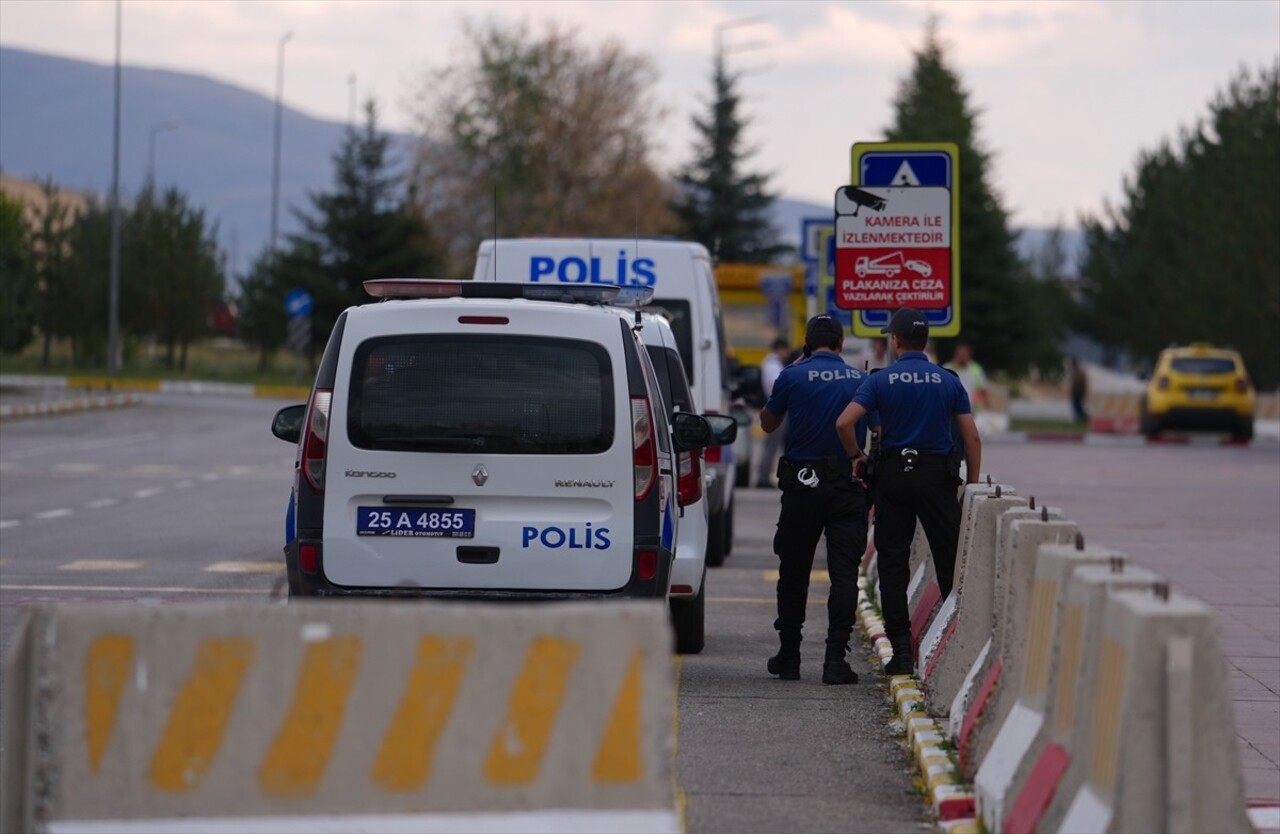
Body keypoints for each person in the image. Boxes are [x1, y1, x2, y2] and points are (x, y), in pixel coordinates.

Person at [835, 308, 981, 676]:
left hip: (893, 477)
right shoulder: (948, 381)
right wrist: (972, 484)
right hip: (936, 478)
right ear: (926, 341)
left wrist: (857, 455)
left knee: (893, 563)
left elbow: (844, 422)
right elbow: (971, 437)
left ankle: (900, 652)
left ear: (895, 341)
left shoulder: (880, 380)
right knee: (949, 558)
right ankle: (952, 645)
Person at [759, 316, 869, 685]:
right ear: (840, 344)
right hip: (847, 486)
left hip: (802, 485)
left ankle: (789, 657)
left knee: (793, 572)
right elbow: (878, 431)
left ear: (806, 342)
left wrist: (793, 371)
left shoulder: (791, 376)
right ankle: (835, 661)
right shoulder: (860, 379)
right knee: (843, 575)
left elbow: (768, 424)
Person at [755, 338, 791, 487]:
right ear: (780, 349)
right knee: (772, 444)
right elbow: (776, 385)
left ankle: (764, 476)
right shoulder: (773, 365)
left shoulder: (770, 363)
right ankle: (763, 477)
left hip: (774, 406)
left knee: (772, 444)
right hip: (777, 408)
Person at [945, 341, 990, 411]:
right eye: (960, 355)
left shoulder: (976, 369)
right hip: (951, 408)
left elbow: (982, 389)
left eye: (964, 355)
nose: (962, 358)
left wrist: (985, 405)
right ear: (955, 355)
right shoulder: (948, 367)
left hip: (971, 409)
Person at [1069, 356, 1089, 423]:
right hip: (1077, 393)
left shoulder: (1079, 373)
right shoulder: (1077, 372)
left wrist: (1083, 393)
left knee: (1078, 407)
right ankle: (1080, 418)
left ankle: (1083, 418)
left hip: (1078, 393)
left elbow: (1081, 384)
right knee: (1077, 406)